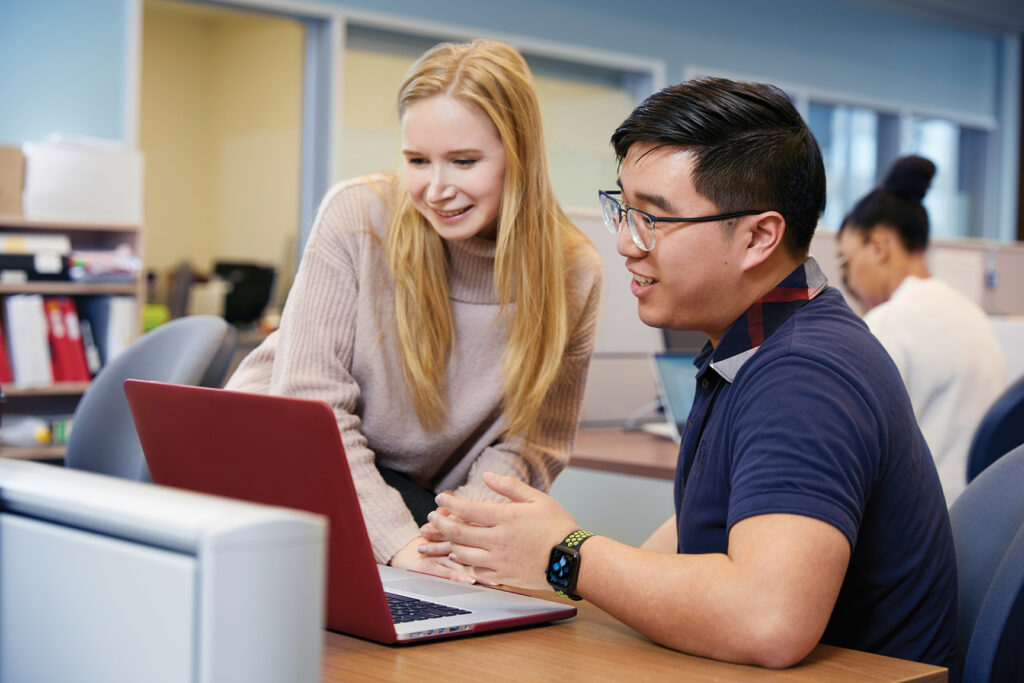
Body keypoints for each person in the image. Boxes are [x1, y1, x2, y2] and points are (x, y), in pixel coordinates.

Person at [424, 77, 959, 674]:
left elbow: (768, 619)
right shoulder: (754, 344)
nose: (626, 243)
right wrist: (546, 568)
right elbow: (693, 538)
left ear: (759, 236)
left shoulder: (805, 375)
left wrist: (566, 554)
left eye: (652, 217)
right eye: (623, 209)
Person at [226, 39, 602, 582]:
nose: (437, 188)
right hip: (275, 461)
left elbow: (526, 445)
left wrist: (456, 540)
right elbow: (311, 406)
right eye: (417, 161)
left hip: (412, 498)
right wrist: (398, 542)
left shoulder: (573, 272)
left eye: (464, 161)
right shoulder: (358, 215)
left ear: (520, 155)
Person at [836, 155, 1006, 503]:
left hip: (928, 526)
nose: (848, 282)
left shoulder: (889, 322)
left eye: (846, 263)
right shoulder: (971, 314)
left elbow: (855, 452)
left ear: (879, 247)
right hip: (984, 517)